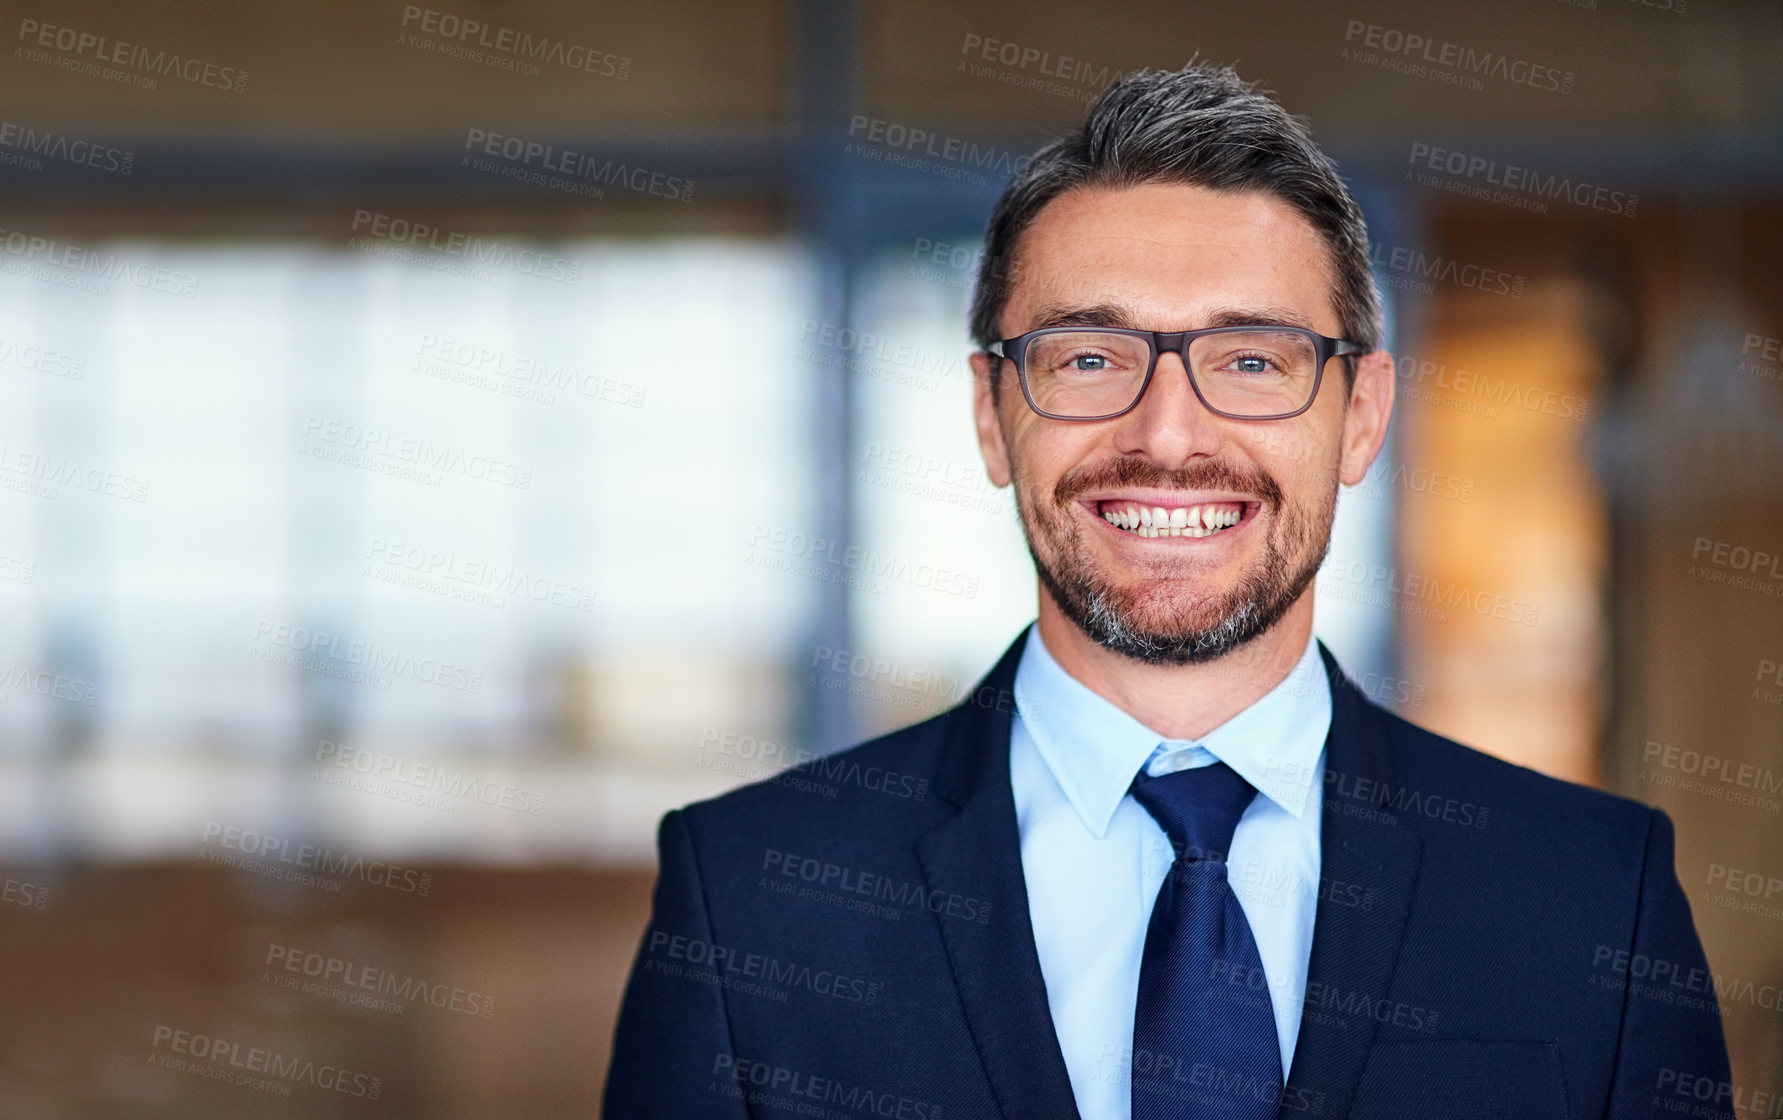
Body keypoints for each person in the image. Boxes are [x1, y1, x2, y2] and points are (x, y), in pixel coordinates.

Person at [604, 63, 1731, 1120]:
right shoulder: (747, 901)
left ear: (1364, 416)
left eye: (1251, 358)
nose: (1168, 435)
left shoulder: (1590, 895)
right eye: (1089, 357)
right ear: (994, 416)